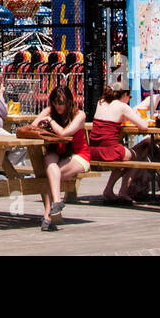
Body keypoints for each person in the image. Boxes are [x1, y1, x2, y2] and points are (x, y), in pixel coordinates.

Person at [32, 84, 91, 230]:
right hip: (57, 152)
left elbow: (64, 133)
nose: (58, 106)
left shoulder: (79, 115)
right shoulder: (49, 111)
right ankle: (56, 204)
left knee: (52, 176)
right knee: (49, 162)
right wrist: (40, 122)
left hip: (78, 155)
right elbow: (32, 126)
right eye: (55, 102)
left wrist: (50, 121)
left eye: (61, 102)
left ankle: (47, 217)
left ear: (69, 101)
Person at [91, 82, 148, 204]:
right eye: (129, 96)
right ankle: (123, 191)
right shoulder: (122, 107)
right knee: (136, 156)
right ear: (125, 95)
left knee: (123, 158)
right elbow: (144, 126)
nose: (129, 99)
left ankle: (109, 190)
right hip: (109, 150)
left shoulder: (100, 102)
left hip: (93, 150)